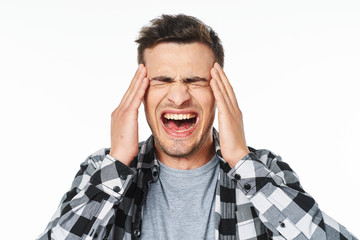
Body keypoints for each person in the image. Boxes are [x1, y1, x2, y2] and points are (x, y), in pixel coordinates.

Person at [37, 14, 357, 240]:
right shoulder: (101, 170)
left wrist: (243, 163)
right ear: (141, 93)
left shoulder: (266, 171)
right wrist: (119, 161)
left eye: (195, 81)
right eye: (162, 80)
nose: (179, 96)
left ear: (220, 93)